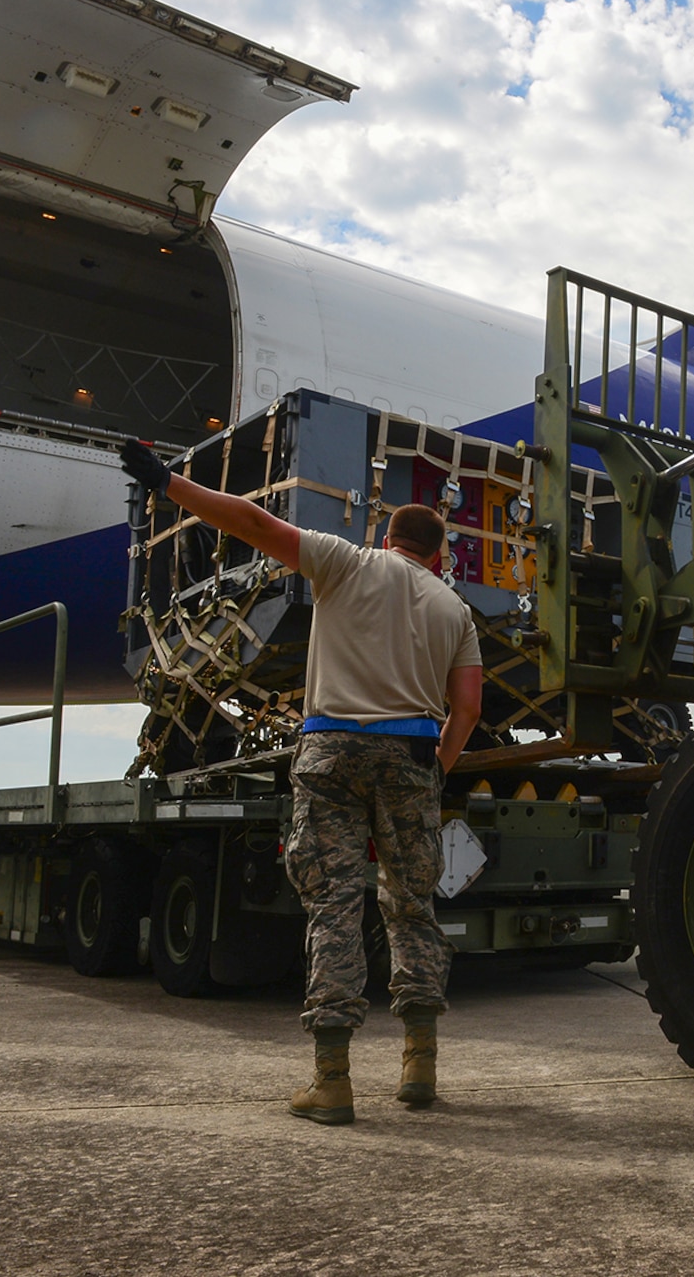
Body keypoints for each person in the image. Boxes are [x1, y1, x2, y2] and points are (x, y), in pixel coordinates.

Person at [118, 439, 483, 1125]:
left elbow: (254, 524)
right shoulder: (454, 609)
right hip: (411, 755)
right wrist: (438, 765)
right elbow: (467, 709)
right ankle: (419, 1067)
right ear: (436, 557)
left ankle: (333, 1080)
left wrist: (170, 484)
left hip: (331, 753)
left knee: (335, 906)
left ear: (384, 537)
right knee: (411, 907)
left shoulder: (345, 561)